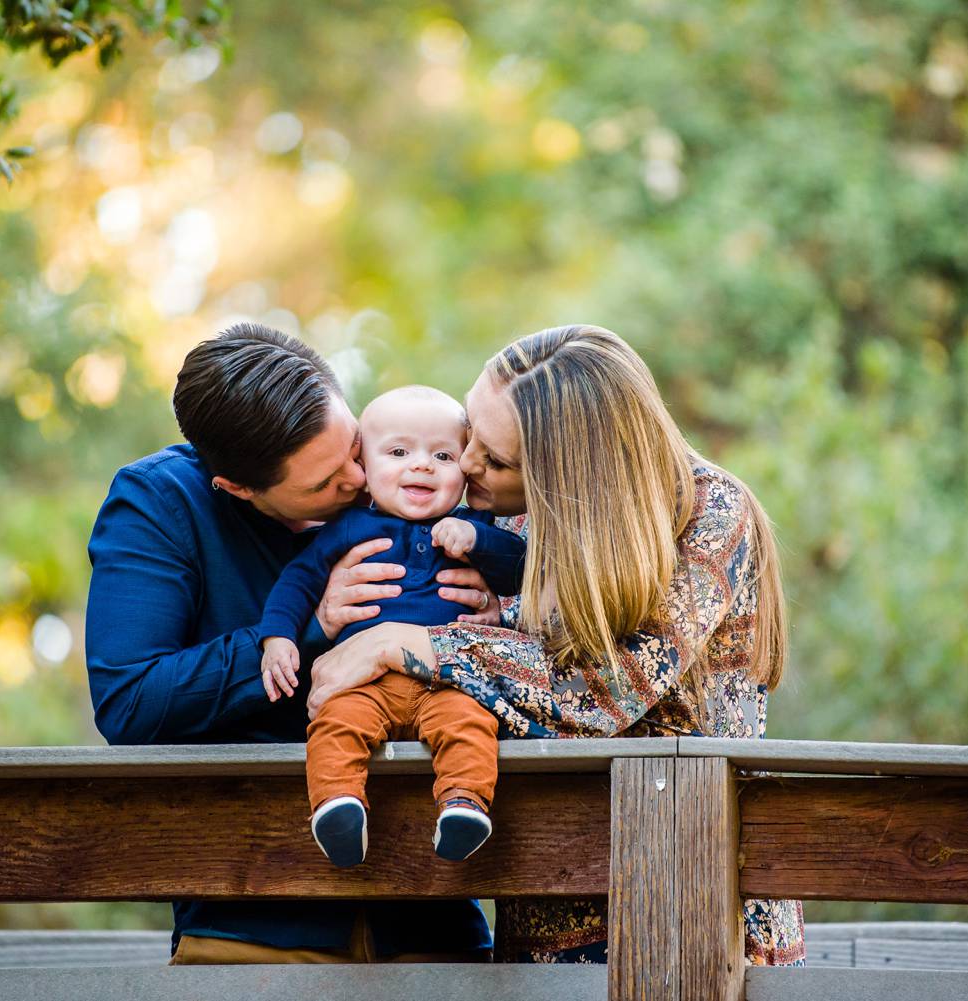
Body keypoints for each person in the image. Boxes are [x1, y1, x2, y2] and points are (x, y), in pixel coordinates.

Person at [306, 324, 808, 965]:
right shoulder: (511, 513)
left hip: (689, 902)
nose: (465, 466)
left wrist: (409, 643)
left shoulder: (705, 516)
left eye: (495, 459)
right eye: (470, 438)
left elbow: (605, 687)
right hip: (544, 888)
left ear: (571, 472)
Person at [84, 323, 498, 965]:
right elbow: (130, 702)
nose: (361, 481)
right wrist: (309, 630)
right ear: (238, 489)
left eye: (355, 452)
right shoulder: (162, 504)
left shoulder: (407, 478)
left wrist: (498, 612)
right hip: (254, 917)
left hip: (434, 912)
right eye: (325, 483)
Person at [257, 386, 526, 867]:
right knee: (334, 723)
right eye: (399, 452)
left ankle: (464, 804)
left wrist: (477, 542)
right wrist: (277, 637)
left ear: (463, 471)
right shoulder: (348, 529)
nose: (421, 465)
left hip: (447, 682)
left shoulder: (477, 527)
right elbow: (297, 581)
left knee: (471, 724)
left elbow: (520, 570)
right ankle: (338, 806)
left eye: (442, 455)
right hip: (364, 682)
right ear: (365, 467)